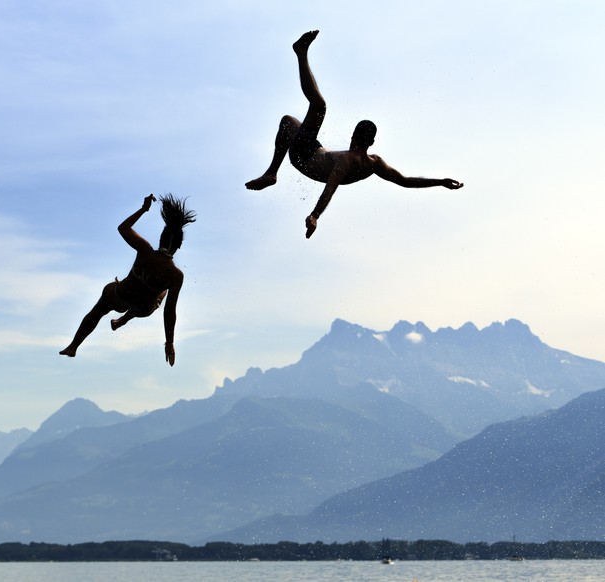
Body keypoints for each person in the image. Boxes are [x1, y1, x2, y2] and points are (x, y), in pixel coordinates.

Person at [245, 30, 464, 238]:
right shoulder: (374, 163)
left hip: (303, 155)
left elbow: (330, 188)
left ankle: (301, 53)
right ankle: (271, 173)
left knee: (315, 108)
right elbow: (405, 181)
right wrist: (440, 182)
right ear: (372, 141)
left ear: (353, 136)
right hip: (311, 151)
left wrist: (315, 215)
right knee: (291, 122)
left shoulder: (347, 160)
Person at [60, 194, 196, 366]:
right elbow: (169, 311)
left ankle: (73, 346)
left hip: (118, 297)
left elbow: (123, 228)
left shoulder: (145, 249)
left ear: (160, 238)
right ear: (179, 245)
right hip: (142, 309)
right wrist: (169, 342)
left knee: (99, 308)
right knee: (162, 291)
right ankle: (122, 321)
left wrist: (143, 210)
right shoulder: (175, 275)